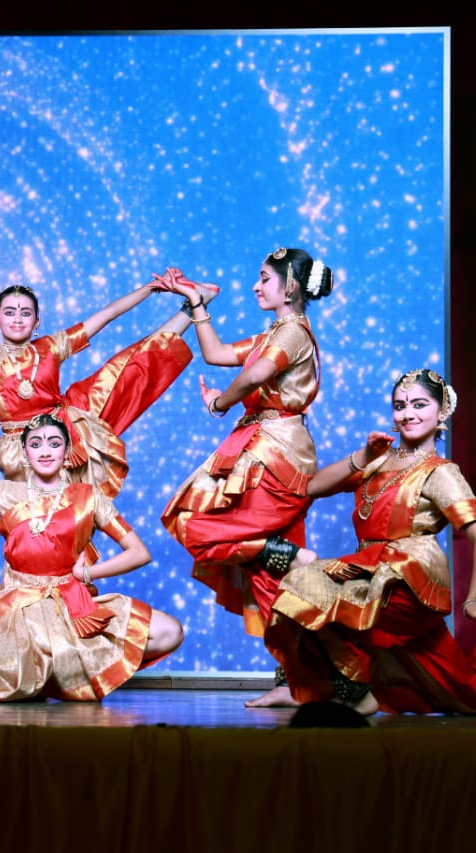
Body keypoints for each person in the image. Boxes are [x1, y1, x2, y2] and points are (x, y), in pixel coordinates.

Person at [264, 368, 476, 715]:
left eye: (419, 404)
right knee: (471, 693)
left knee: (305, 587)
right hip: (368, 576)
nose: (407, 413)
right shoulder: (377, 459)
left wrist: (472, 600)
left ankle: (355, 690)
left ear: (442, 411)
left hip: (407, 580)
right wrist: (364, 456)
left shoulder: (440, 472)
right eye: (400, 406)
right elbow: (313, 487)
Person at [0, 408, 185, 702]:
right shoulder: (5, 493)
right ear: (25, 454)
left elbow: (139, 552)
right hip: (20, 610)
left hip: (72, 606)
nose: (45, 451)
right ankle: (53, 675)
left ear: (67, 451)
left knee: (170, 631)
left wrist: (87, 573)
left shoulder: (88, 497)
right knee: (20, 676)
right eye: (36, 444)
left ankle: (69, 673)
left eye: (54, 442)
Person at [0, 211, 211, 500]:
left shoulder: (50, 346)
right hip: (21, 449)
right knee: (41, 512)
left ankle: (193, 306)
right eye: (9, 312)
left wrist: (151, 288)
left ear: (36, 322)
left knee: (129, 368)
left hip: (69, 427)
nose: (17, 319)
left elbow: (107, 314)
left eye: (25, 313)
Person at [158, 247, 334, 707]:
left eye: (264, 278)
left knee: (193, 525)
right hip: (263, 448)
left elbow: (255, 375)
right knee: (269, 581)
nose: (256, 286)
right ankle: (298, 683)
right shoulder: (274, 333)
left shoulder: (293, 332)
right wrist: (196, 303)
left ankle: (294, 555)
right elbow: (216, 354)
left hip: (275, 455)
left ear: (289, 286)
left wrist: (221, 403)